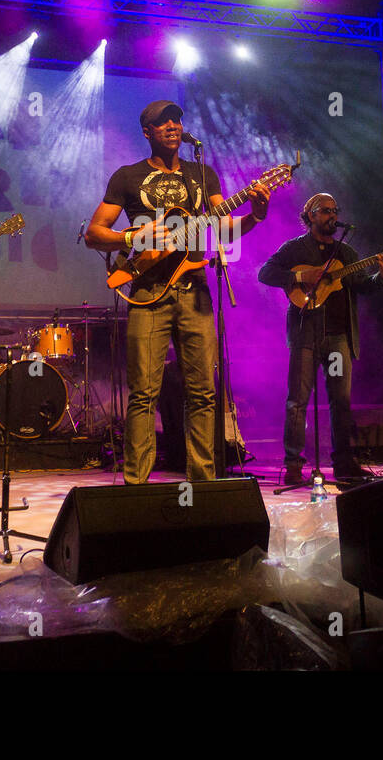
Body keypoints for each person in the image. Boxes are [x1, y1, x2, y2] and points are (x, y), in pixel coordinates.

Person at [84, 99, 269, 484]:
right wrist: (132, 235)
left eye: (176, 119)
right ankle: (137, 485)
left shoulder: (202, 174)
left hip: (194, 289)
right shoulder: (127, 176)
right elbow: (94, 234)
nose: (172, 125)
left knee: (203, 393)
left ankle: (203, 482)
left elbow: (224, 228)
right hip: (148, 291)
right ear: (147, 132)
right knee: (143, 394)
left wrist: (254, 215)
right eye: (161, 121)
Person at [258, 193, 383, 486]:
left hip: (338, 338)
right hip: (305, 333)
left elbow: (363, 286)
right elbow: (265, 273)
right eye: (325, 211)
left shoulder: (346, 253)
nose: (332, 215)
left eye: (335, 210)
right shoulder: (294, 248)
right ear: (310, 215)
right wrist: (303, 276)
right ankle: (293, 464)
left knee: (340, 401)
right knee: (297, 401)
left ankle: (344, 462)